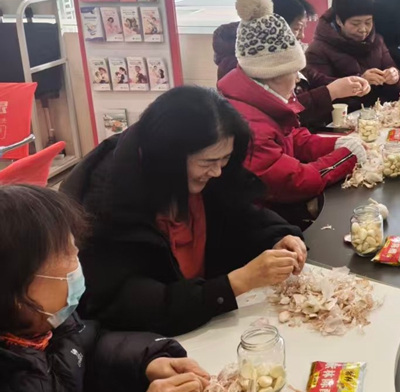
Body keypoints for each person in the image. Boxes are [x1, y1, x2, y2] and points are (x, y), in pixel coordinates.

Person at [63, 85, 308, 337]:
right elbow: (130, 306)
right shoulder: (107, 206)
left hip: (207, 324)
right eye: (208, 162)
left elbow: (241, 214)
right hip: (149, 342)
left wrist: (278, 236)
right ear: (169, 157)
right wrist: (235, 283)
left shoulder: (204, 175)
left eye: (224, 160)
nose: (217, 172)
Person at [0, 184, 210, 392]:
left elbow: (88, 352)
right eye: (65, 253)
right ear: (14, 290)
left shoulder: (46, 326)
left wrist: (147, 364)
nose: (77, 260)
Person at [218, 0, 367, 224]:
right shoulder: (249, 125)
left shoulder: (266, 101)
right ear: (273, 75)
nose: (298, 79)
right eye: (294, 73)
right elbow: (294, 182)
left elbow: (294, 138)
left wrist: (337, 144)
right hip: (263, 224)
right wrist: (346, 157)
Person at [214, 0, 366, 127]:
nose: (302, 36)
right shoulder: (245, 64)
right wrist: (330, 92)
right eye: (297, 28)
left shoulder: (281, 54)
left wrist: (345, 84)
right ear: (277, 26)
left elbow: (309, 77)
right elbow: (284, 110)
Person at [305, 0, 400, 110]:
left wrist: (395, 78)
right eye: (355, 23)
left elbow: (396, 84)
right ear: (339, 21)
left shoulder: (377, 41)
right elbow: (320, 95)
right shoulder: (317, 50)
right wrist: (360, 80)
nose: (363, 29)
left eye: (368, 22)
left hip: (378, 114)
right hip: (343, 118)